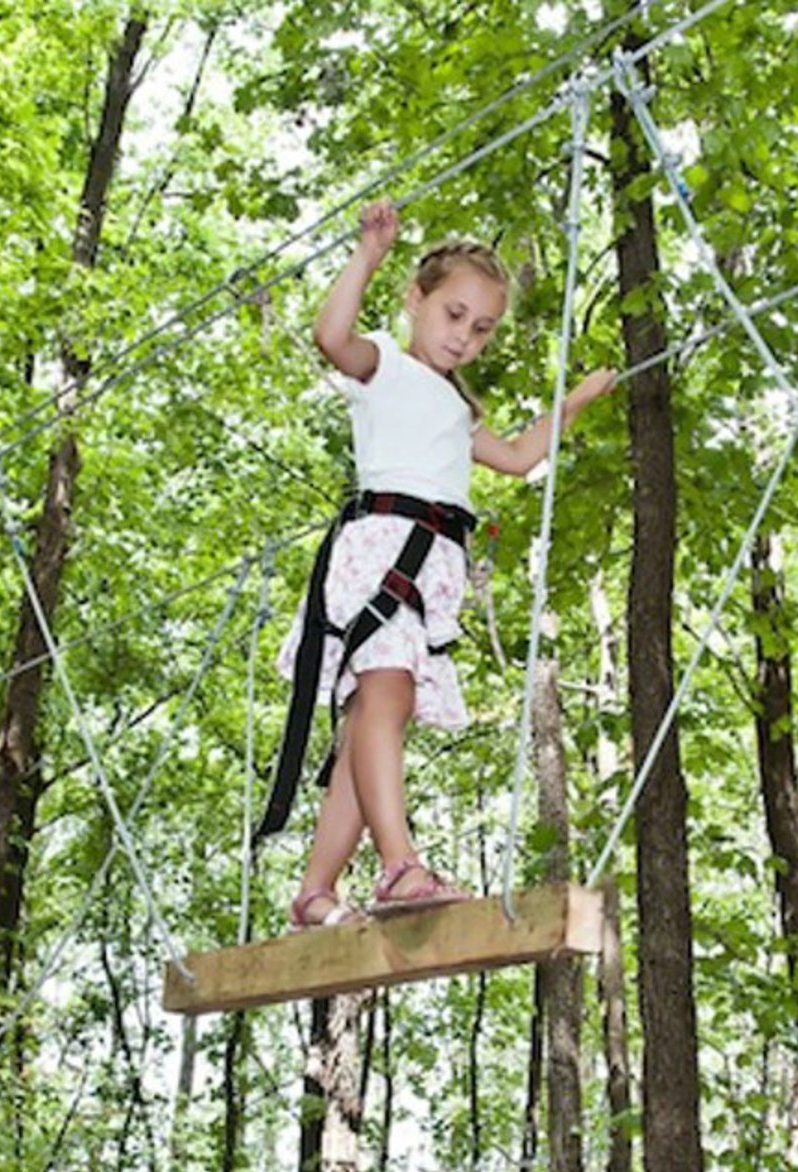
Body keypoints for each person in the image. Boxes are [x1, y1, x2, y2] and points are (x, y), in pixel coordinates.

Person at [259, 199, 614, 928]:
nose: (464, 336)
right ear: (415, 300)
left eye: (482, 328)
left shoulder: (458, 409)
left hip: (429, 569)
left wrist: (576, 400)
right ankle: (400, 867)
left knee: (375, 721)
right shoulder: (385, 367)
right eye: (454, 315)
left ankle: (315, 891)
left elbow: (516, 457)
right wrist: (369, 255)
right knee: (385, 698)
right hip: (383, 549)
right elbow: (331, 336)